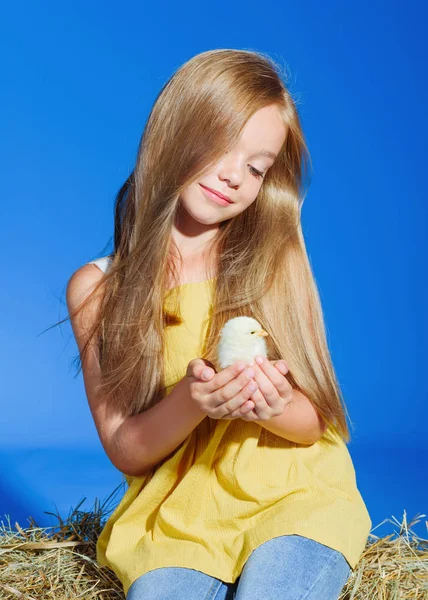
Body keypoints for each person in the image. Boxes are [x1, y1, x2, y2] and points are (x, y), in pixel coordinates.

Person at [65, 49, 371, 599]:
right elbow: (125, 447)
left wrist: (273, 407)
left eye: (256, 167)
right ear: (175, 131)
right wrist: (194, 400)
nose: (234, 176)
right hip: (179, 520)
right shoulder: (97, 290)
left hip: (292, 498)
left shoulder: (274, 260)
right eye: (221, 148)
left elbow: (314, 421)